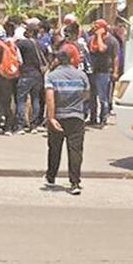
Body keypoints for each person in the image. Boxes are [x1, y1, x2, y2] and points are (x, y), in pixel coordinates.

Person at [44, 50, 90, 195]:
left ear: (57, 60)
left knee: (54, 148)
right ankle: (74, 182)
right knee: (75, 150)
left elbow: (50, 98)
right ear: (71, 60)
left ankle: (51, 177)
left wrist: (51, 118)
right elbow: (87, 94)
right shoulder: (81, 75)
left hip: (58, 116)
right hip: (76, 117)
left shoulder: (51, 76)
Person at [87, 19, 119, 127]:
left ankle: (103, 118)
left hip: (104, 71)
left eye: (97, 28)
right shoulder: (91, 40)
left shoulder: (111, 41)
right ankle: (93, 117)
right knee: (92, 97)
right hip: (93, 71)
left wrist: (115, 71)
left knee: (102, 97)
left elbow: (104, 50)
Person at [15, 24, 45, 133]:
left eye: (27, 30)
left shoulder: (22, 44)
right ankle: (34, 124)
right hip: (37, 74)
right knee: (35, 98)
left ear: (31, 32)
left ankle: (21, 124)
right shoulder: (41, 44)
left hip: (26, 74)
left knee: (21, 99)